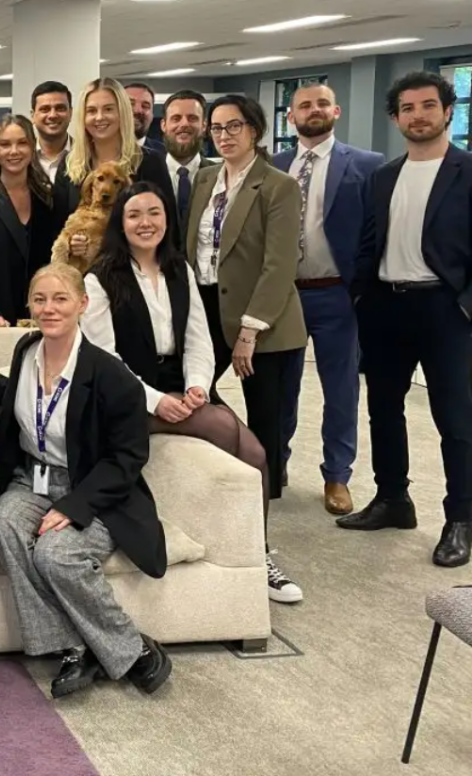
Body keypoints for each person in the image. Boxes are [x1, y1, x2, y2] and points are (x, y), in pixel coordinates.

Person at [84, 183, 297, 604]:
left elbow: (198, 339)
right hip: (124, 394)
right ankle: (245, 550)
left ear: (168, 219)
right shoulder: (100, 278)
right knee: (224, 426)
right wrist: (156, 400)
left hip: (179, 384)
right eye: (134, 215)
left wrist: (198, 385)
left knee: (256, 455)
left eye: (154, 213)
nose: (145, 222)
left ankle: (257, 556)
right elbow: (105, 358)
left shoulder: (180, 269)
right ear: (120, 223)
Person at [0, 263, 172, 699]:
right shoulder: (25, 351)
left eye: (60, 299)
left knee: (56, 554)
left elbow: (128, 457)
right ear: (29, 306)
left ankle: (134, 648)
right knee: (2, 523)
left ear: (82, 304)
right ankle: (73, 646)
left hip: (93, 489)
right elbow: (13, 400)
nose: (49, 308)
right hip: (31, 479)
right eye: (39, 300)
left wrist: (74, 505)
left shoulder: (112, 374)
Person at [345, 71, 472, 568]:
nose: (418, 116)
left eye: (427, 105)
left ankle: (460, 519)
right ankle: (393, 499)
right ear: (396, 118)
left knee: (455, 419)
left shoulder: (466, 170)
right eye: (408, 108)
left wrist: (465, 306)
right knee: (383, 409)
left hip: (446, 309)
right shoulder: (384, 176)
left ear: (448, 111)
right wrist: (361, 295)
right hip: (386, 305)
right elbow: (369, 241)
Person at [186, 95, 307, 587]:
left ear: (255, 129)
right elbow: (193, 250)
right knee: (190, 396)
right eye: (216, 128)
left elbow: (280, 265)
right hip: (207, 311)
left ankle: (260, 543)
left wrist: (249, 331)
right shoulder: (204, 180)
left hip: (265, 325)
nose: (224, 135)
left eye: (234, 126)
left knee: (267, 428)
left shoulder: (278, 185)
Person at [272, 83, 384, 516]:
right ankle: (276, 463)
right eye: (304, 105)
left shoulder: (367, 165)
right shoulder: (275, 165)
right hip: (285, 295)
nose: (313, 110)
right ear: (291, 116)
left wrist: (363, 290)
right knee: (281, 387)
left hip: (337, 294)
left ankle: (337, 475)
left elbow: (376, 231)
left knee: (340, 390)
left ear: (336, 111)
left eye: (322, 103)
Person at [0, 113, 70, 328]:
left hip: (42, 315)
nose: (14, 151)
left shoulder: (48, 199)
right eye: (5, 144)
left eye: (22, 143)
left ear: (32, 147)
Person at [64, 78, 180, 254]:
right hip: (82, 268)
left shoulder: (149, 162)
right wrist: (70, 243)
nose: (99, 117)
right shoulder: (70, 165)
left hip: (135, 266)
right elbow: (56, 228)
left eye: (108, 109)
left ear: (122, 112)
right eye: (91, 110)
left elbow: (170, 227)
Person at [160, 90, 209, 236]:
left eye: (192, 118)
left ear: (204, 125)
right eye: (176, 118)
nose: (184, 124)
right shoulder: (145, 174)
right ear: (163, 125)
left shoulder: (222, 175)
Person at [32, 81, 73, 181]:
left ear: (70, 113)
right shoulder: (23, 158)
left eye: (60, 108)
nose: (53, 115)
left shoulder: (87, 156)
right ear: (33, 116)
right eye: (45, 109)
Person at [124, 82, 165, 154]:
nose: (138, 110)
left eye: (145, 106)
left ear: (152, 116)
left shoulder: (165, 155)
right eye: (130, 104)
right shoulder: (102, 150)